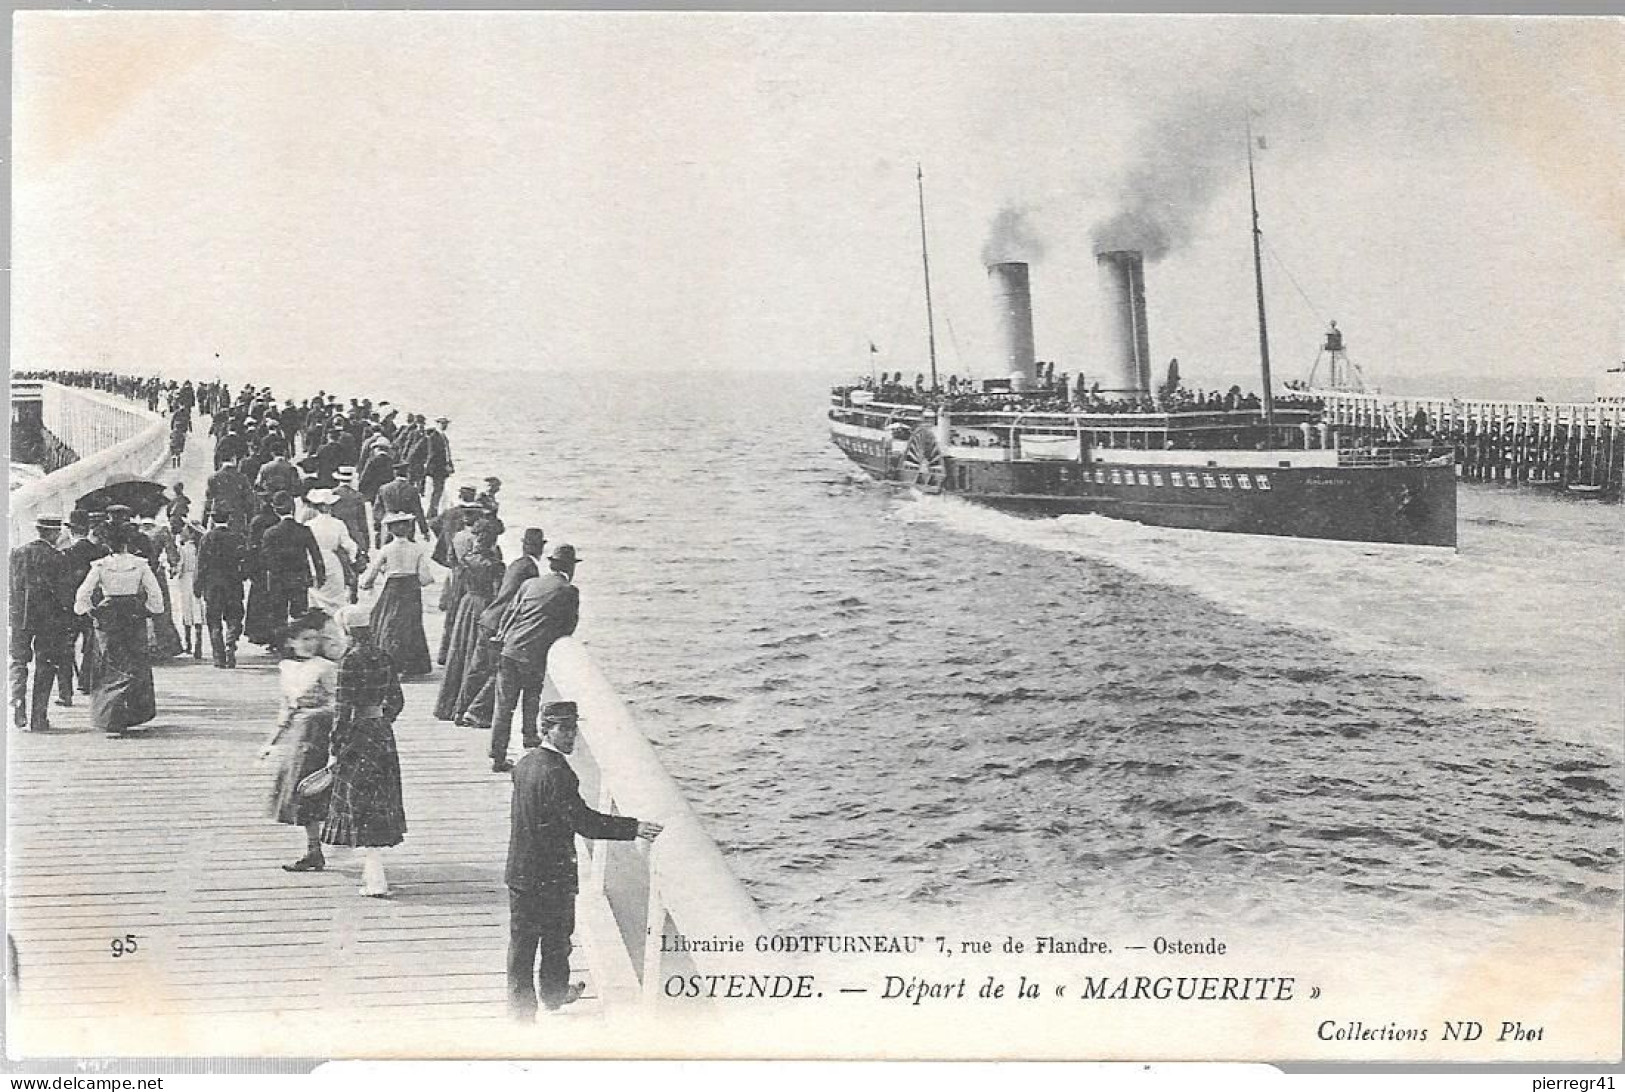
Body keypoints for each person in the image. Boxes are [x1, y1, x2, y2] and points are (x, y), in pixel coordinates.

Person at [505, 701, 661, 1020]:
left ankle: (521, 1012)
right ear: (547, 729)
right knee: (557, 938)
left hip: (521, 871)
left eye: (574, 729)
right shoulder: (558, 773)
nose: (571, 736)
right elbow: (585, 822)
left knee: (522, 944)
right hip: (552, 874)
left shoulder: (525, 764)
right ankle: (554, 994)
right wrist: (635, 828)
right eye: (564, 729)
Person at [322, 604, 407, 897]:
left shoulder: (349, 660)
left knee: (360, 803)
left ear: (346, 630)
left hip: (357, 735)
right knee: (379, 800)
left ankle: (375, 878)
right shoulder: (383, 655)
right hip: (381, 734)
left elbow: (342, 709)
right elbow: (396, 699)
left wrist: (335, 747)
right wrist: (382, 720)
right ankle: (372, 872)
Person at [489, 544, 581, 773]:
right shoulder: (568, 591)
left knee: (504, 707)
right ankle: (531, 748)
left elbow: (510, 614)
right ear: (570, 568)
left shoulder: (529, 584)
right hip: (534, 656)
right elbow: (568, 627)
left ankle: (497, 756)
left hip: (510, 651)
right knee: (531, 702)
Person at [262, 611, 338, 873]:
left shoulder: (325, 668)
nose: (310, 645)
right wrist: (272, 741)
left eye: (315, 640)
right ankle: (313, 850)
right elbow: (286, 707)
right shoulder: (287, 668)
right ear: (291, 641)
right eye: (304, 639)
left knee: (322, 789)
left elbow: (338, 702)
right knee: (302, 792)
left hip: (322, 733)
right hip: (299, 737)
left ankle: (347, 845)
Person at [74, 524, 165, 737]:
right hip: (133, 613)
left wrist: (89, 612)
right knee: (135, 661)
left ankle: (110, 717)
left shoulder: (100, 565)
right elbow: (155, 594)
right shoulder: (140, 564)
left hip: (109, 614)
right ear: (128, 543)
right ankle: (133, 713)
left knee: (111, 664)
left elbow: (83, 593)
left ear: (107, 544)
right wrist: (150, 610)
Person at [456, 528, 545, 732]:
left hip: (488, 618)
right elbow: (521, 602)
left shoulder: (516, 564)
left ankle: (461, 712)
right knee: (500, 669)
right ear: (540, 548)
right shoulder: (530, 569)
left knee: (477, 669)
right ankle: (476, 711)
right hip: (500, 624)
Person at [432, 521, 502, 723]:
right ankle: (470, 706)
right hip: (484, 606)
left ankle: (449, 705)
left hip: (466, 605)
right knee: (478, 657)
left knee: (459, 653)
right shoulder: (495, 565)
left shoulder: (466, 560)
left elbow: (457, 586)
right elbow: (498, 595)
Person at [9, 517, 74, 732]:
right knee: (45, 666)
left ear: (38, 531)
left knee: (19, 661)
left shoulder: (17, 553)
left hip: (21, 617)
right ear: (55, 533)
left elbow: (10, 587)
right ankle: (39, 718)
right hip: (49, 620)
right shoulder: (58, 557)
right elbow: (65, 593)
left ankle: (18, 700)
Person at [359, 511, 436, 678]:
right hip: (411, 588)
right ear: (409, 529)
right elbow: (425, 577)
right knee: (411, 624)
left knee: (388, 622)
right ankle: (411, 664)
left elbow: (372, 571)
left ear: (390, 530)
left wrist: (366, 583)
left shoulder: (387, 549)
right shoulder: (417, 549)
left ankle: (390, 661)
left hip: (393, 587)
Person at [258, 492, 326, 634]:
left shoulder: (270, 533)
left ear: (276, 510)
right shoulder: (304, 530)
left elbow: (265, 559)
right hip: (299, 577)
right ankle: (298, 644)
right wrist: (320, 575)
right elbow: (315, 554)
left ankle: (281, 644)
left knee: (278, 613)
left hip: (278, 579)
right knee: (299, 613)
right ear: (293, 509)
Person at [302, 489, 359, 614]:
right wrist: (353, 558)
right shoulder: (338, 524)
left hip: (313, 561)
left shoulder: (309, 525)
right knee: (336, 596)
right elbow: (349, 545)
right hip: (332, 561)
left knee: (315, 594)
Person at [374, 463, 430, 544]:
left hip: (389, 524)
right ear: (407, 474)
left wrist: (377, 528)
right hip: (407, 526)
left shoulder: (384, 488)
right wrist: (424, 531)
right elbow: (418, 511)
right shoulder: (412, 490)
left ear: (395, 474)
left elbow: (377, 510)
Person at [173, 523, 204, 660]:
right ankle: (199, 645)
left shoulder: (183, 549)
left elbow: (180, 567)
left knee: (187, 611)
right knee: (197, 610)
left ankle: (188, 644)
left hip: (186, 580)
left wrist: (173, 572)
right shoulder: (200, 549)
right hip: (198, 579)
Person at [421, 417, 454, 517]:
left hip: (442, 468)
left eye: (446, 424)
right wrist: (428, 469)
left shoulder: (443, 436)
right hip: (437, 468)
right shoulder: (434, 437)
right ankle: (432, 512)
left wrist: (450, 464)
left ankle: (433, 511)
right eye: (443, 424)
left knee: (439, 490)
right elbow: (432, 454)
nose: (445, 426)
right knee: (437, 490)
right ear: (438, 424)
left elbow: (447, 453)